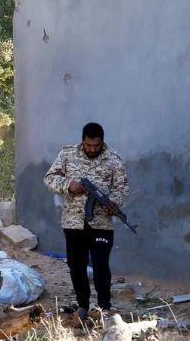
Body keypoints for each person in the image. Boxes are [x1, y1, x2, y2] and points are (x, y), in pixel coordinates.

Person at [44, 122, 129, 321]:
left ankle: (103, 308)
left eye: (96, 146)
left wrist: (114, 202)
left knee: (101, 266)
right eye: (88, 145)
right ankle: (83, 306)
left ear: (102, 142)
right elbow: (49, 178)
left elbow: (122, 188)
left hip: (101, 224)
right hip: (73, 222)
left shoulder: (113, 160)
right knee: (76, 266)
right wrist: (69, 184)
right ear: (82, 140)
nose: (92, 149)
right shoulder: (67, 154)